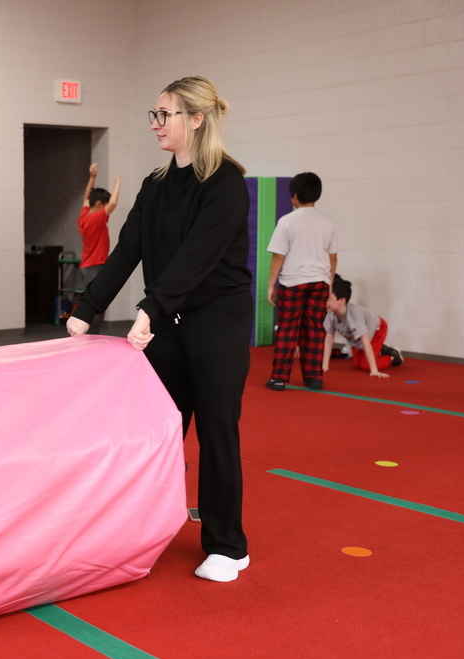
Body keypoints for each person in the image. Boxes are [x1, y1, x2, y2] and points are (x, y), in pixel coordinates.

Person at [67, 77, 253, 583]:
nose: (155, 124)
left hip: (218, 325)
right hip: (168, 324)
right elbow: (128, 249)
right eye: (153, 115)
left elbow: (195, 261)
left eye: (163, 115)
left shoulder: (227, 184)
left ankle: (227, 544)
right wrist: (87, 307)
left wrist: (148, 310)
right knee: (156, 432)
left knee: (216, 433)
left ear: (195, 119)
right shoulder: (155, 185)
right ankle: (143, 528)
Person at [265, 172, 337, 391]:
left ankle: (279, 378)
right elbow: (333, 257)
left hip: (293, 282)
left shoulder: (286, 221)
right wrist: (329, 282)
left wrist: (271, 284)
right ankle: (314, 377)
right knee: (315, 328)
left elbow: (278, 255)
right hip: (320, 282)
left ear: (294, 196)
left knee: (288, 328)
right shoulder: (328, 223)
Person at [322, 274, 403, 378]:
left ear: (341, 301)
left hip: (377, 329)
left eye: (329, 299)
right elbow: (328, 340)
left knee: (366, 366)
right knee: (357, 364)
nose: (325, 302)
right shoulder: (331, 314)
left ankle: (393, 356)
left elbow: (366, 342)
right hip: (357, 338)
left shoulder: (355, 315)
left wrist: (374, 370)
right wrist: (325, 366)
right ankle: (382, 349)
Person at [77, 163, 120, 333]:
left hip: (88, 267)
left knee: (94, 303)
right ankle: (91, 337)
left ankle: (91, 336)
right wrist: (117, 185)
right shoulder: (95, 219)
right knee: (97, 306)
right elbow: (114, 203)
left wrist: (92, 178)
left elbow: (86, 198)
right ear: (101, 204)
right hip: (94, 268)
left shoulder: (84, 216)